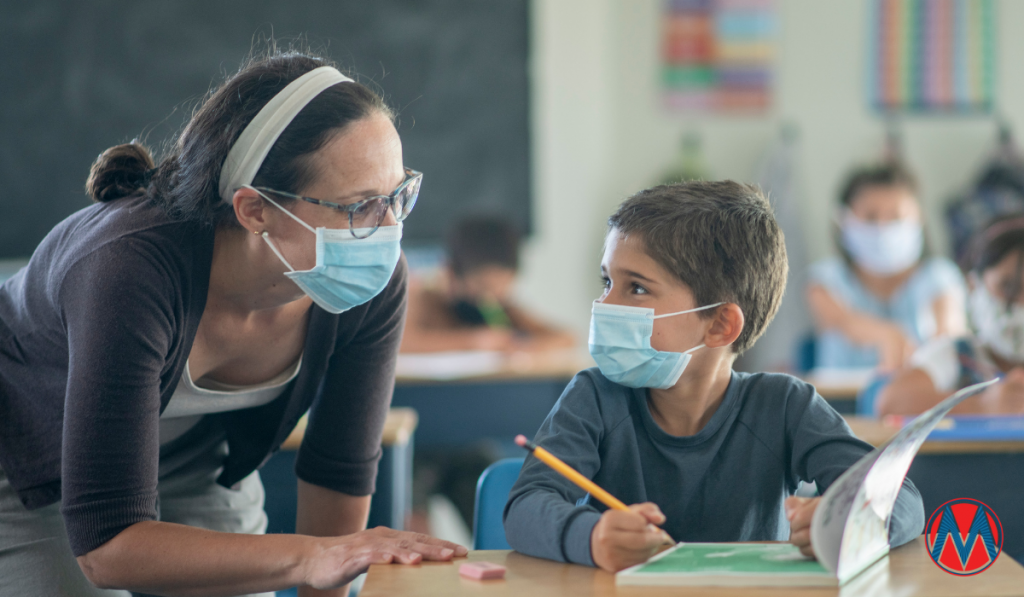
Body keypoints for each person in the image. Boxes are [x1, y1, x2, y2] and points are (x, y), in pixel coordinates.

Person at [0, 50, 467, 597]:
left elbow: (337, 473)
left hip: (190, 461)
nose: (388, 230)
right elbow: (107, 544)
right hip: (28, 462)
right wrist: (312, 557)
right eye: (359, 206)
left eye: (397, 196)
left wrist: (329, 572)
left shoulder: (372, 282)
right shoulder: (128, 270)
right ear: (254, 211)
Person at [503, 181, 924, 572]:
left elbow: (902, 500)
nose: (604, 304)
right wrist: (591, 537)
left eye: (635, 288)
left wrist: (851, 526)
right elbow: (525, 506)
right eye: (607, 281)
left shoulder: (784, 405)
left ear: (721, 325)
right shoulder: (594, 396)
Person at [807, 162, 966, 371]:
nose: (883, 228)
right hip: (836, 401)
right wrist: (888, 335)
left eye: (896, 217)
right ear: (844, 220)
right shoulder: (825, 279)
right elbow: (843, 323)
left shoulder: (939, 277)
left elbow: (950, 335)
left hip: (917, 401)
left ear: (918, 218)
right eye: (871, 217)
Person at [877, 216, 1024, 416]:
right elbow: (891, 402)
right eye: (1008, 287)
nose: (1020, 303)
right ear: (974, 286)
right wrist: (981, 406)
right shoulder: (958, 355)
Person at [400, 215, 574, 353]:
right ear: (451, 273)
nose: (491, 298)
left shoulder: (504, 307)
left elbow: (566, 338)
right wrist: (474, 342)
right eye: (482, 287)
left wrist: (522, 346)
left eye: (502, 289)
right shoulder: (420, 297)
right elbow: (400, 344)